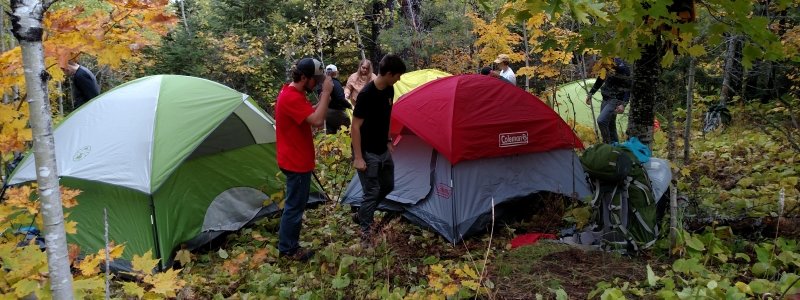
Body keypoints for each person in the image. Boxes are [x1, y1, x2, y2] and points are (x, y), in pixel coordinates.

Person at [274, 57, 333, 261]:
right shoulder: (291, 97)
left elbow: (311, 115)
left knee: (295, 205)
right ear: (305, 77)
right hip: (296, 162)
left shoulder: (293, 93)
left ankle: (287, 244)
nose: (316, 83)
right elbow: (317, 121)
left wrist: (324, 100)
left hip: (295, 158)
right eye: (315, 80)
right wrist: (326, 93)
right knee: (295, 207)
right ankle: (288, 249)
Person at [351, 54, 406, 244]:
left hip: (382, 147)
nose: (399, 79)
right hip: (367, 152)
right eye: (398, 75)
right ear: (389, 74)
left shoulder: (389, 90)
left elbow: (386, 117)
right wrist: (358, 157)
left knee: (388, 184)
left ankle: (363, 212)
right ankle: (365, 234)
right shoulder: (366, 95)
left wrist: (388, 139)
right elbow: (355, 126)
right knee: (371, 191)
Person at [585, 57, 632, 144]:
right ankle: (615, 148)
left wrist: (623, 104)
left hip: (616, 99)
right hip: (606, 98)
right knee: (610, 125)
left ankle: (607, 144)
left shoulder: (622, 67)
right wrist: (591, 93)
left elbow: (628, 87)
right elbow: (600, 79)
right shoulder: (604, 65)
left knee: (601, 120)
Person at [321, 64, 352, 133]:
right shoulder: (335, 83)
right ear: (335, 72)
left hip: (326, 112)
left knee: (331, 133)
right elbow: (340, 98)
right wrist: (349, 106)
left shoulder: (324, 83)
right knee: (349, 130)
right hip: (337, 112)